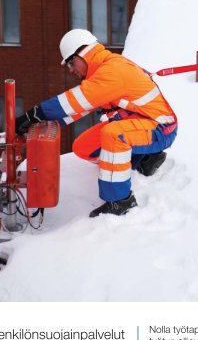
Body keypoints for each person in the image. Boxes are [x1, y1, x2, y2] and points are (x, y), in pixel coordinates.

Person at [15, 29, 177, 217]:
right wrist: (40, 121)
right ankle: (146, 158)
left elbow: (75, 100)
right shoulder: (102, 72)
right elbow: (78, 108)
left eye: (70, 63)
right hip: (141, 124)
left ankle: (120, 202)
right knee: (83, 147)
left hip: (160, 129)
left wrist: (35, 113)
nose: (71, 70)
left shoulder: (112, 71)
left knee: (114, 135)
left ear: (83, 53)